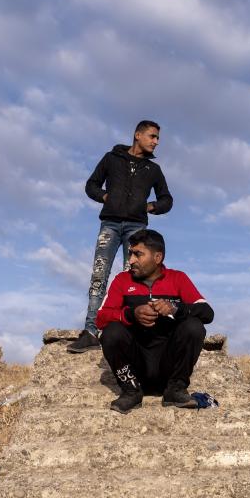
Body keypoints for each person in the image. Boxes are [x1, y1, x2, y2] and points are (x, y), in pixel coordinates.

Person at [66, 121, 173, 353]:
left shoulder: (153, 170)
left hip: (137, 229)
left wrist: (150, 207)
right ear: (137, 135)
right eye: (152, 137)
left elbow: (167, 199)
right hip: (110, 224)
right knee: (99, 274)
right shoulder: (111, 159)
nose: (156, 142)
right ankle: (91, 331)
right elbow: (91, 185)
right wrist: (106, 197)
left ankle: (127, 329)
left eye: (157, 139)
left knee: (131, 279)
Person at [95, 229, 214, 413]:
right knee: (111, 332)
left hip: (168, 367)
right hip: (136, 368)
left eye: (138, 254)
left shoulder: (178, 278)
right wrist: (131, 314)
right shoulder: (122, 280)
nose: (131, 260)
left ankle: (175, 390)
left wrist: (175, 308)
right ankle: (131, 392)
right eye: (130, 254)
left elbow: (207, 313)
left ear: (157, 257)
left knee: (194, 326)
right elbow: (101, 318)